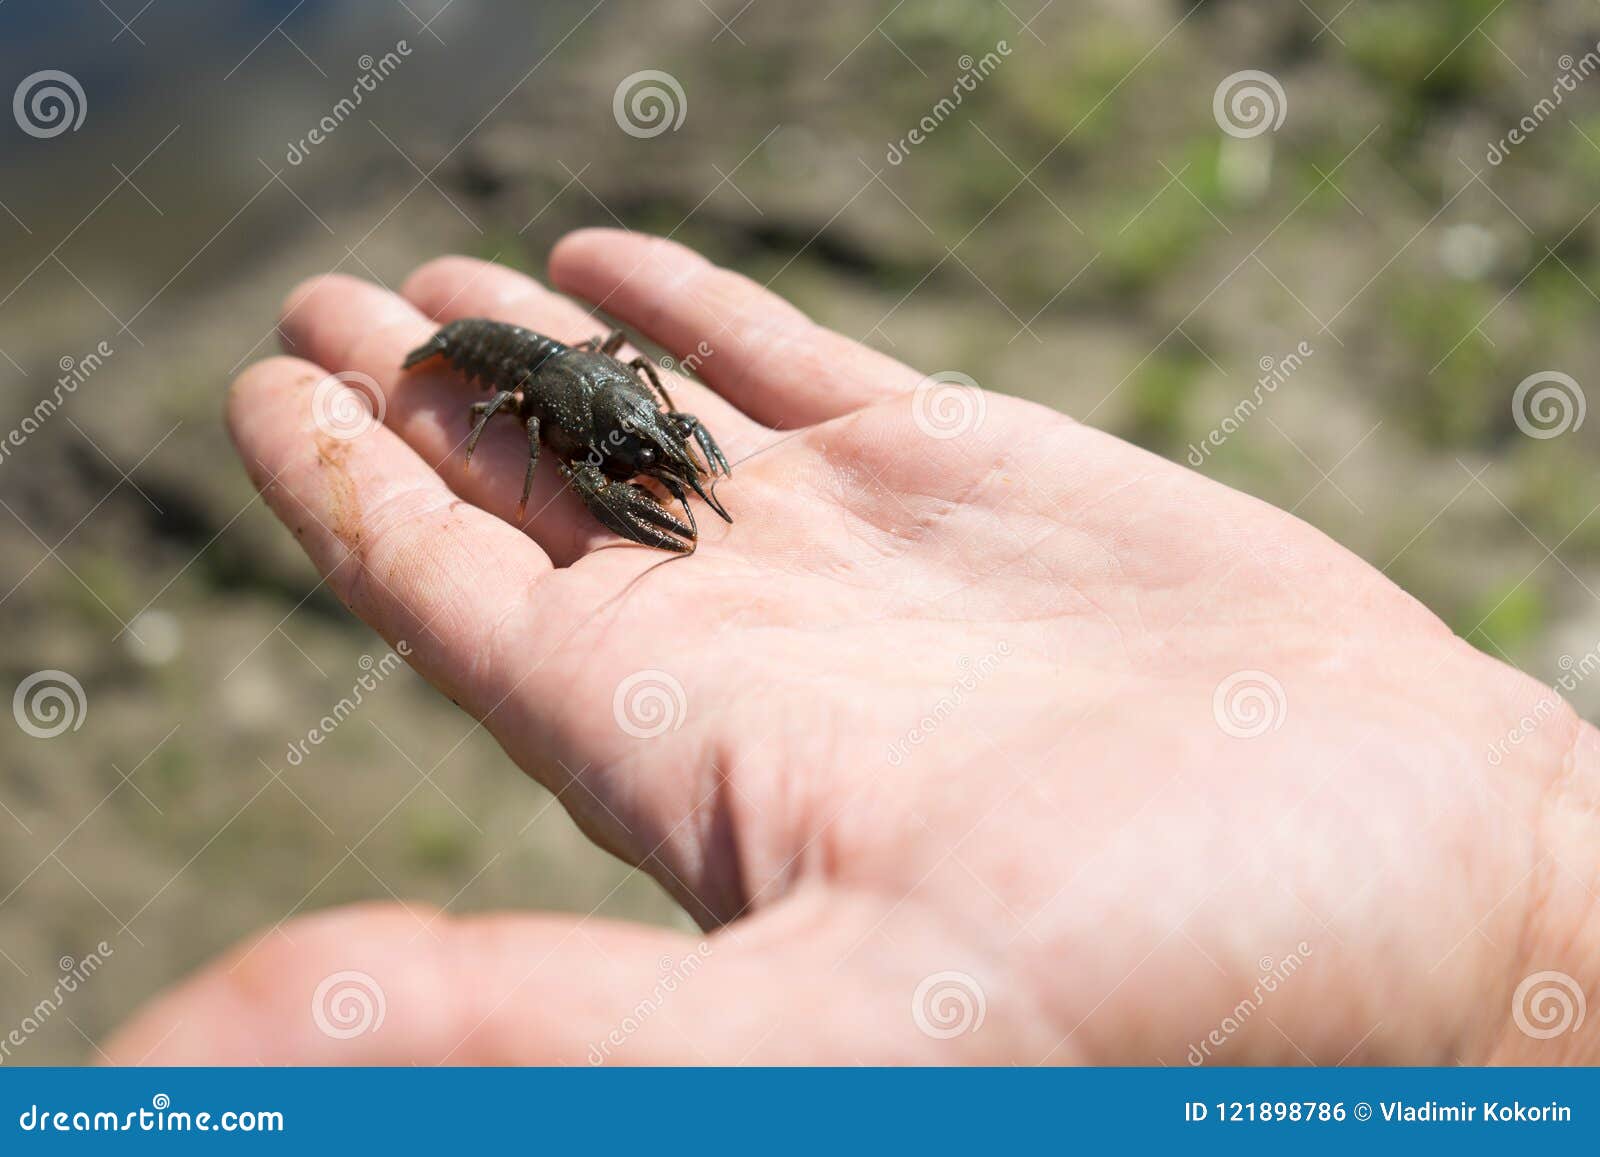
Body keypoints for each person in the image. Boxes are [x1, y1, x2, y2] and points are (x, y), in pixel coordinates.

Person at [105, 230, 1599, 1065]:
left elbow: (633, 415)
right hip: (491, 359)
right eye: (630, 456)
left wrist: (1536, 921)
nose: (650, 458)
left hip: (563, 370)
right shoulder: (520, 402)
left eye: (645, 448)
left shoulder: (624, 413)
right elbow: (547, 441)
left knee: (640, 416)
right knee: (556, 413)